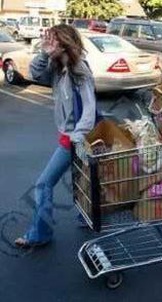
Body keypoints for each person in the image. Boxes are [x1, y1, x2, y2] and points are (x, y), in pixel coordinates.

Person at [15, 24, 96, 248]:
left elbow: (89, 109)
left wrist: (75, 137)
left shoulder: (79, 69)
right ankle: (87, 217)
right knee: (82, 180)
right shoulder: (57, 67)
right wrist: (44, 53)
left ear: (64, 43)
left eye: (52, 40)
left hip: (74, 139)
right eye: (47, 40)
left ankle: (40, 234)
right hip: (69, 137)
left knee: (43, 184)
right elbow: (35, 73)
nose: (48, 43)